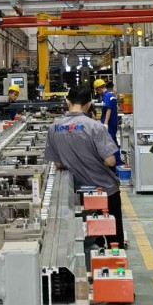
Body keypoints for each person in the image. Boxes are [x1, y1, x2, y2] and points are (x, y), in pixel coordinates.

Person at [44, 82, 124, 245]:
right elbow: (110, 161)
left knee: (87, 238)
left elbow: (58, 164)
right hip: (105, 191)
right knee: (113, 241)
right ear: (88, 104)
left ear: (67, 101)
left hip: (77, 193)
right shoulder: (95, 127)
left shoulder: (54, 128)